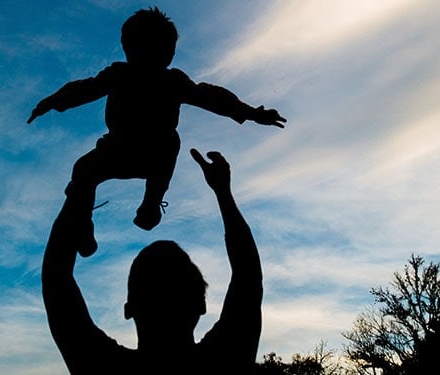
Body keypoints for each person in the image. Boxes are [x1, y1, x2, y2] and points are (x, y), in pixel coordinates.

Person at [28, 7, 286, 257]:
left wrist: (251, 112)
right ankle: (87, 225)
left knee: (160, 145)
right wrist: (54, 101)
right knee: (85, 170)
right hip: (122, 150)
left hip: (143, 153)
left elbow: (211, 97)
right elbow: (85, 89)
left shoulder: (165, 81)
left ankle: (150, 202)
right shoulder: (127, 75)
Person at [41, 149, 263, 374]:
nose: (165, 296)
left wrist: (80, 190)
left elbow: (55, 278)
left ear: (129, 309)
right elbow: (248, 276)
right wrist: (223, 192)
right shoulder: (226, 358)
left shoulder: (101, 364)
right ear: (201, 305)